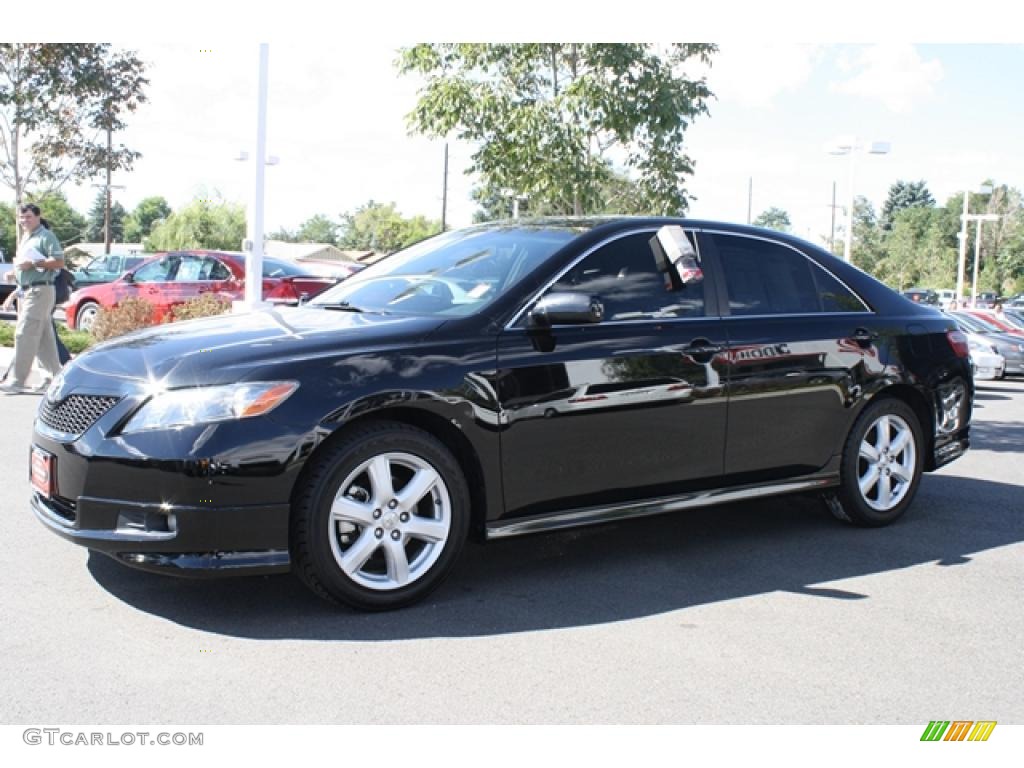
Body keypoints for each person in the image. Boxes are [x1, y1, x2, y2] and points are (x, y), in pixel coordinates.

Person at [0, 204, 65, 394]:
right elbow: (24, 266)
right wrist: (14, 273)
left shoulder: (46, 236)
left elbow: (59, 262)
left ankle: (17, 381)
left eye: (28, 217)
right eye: (21, 217)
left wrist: (34, 263)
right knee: (44, 339)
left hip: (40, 291)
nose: (24, 221)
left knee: (24, 333)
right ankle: (55, 379)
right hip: (29, 290)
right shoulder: (26, 238)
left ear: (38, 216)